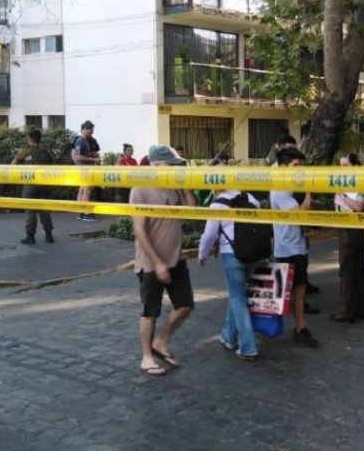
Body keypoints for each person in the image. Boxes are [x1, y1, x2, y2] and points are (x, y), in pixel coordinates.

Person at [130, 145, 197, 376]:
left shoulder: (174, 187)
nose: (176, 170)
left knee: (186, 304)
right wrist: (157, 262)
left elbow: (192, 214)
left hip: (176, 259)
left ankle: (161, 342)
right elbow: (139, 230)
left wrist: (186, 188)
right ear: (156, 165)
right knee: (150, 311)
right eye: (172, 166)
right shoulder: (141, 188)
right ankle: (146, 357)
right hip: (151, 262)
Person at [198, 189, 262, 361]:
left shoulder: (218, 204)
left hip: (231, 255)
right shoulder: (252, 199)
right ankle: (228, 336)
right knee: (238, 296)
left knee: (237, 298)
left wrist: (202, 254)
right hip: (253, 255)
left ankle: (248, 347)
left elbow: (209, 234)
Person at [270, 147, 318, 347]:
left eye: (301, 165)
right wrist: (309, 192)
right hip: (288, 249)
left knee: (299, 290)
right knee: (284, 293)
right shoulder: (280, 190)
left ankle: (300, 328)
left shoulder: (288, 187)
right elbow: (300, 213)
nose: (299, 169)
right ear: (283, 166)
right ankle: (249, 326)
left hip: (297, 247)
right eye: (295, 165)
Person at [331, 152, 364, 323]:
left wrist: (343, 196)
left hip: (352, 230)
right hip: (345, 228)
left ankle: (346, 311)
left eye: (346, 165)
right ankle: (359, 308)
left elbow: (359, 206)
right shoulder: (344, 182)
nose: (342, 169)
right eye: (340, 165)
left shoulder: (358, 185)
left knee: (348, 271)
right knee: (354, 270)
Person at [11, 129, 55, 244]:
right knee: (44, 210)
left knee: (30, 210)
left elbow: (12, 167)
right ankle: (49, 235)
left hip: (30, 184)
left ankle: (30, 237)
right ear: (40, 140)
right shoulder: (46, 153)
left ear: (29, 139)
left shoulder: (24, 152)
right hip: (44, 185)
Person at [72, 120, 101, 221]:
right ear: (83, 130)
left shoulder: (87, 141)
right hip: (84, 168)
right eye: (89, 130)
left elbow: (89, 153)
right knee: (86, 190)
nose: (91, 132)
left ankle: (81, 212)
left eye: (91, 130)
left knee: (83, 189)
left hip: (84, 168)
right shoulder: (80, 141)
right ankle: (87, 213)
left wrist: (93, 155)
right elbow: (78, 157)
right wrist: (93, 159)